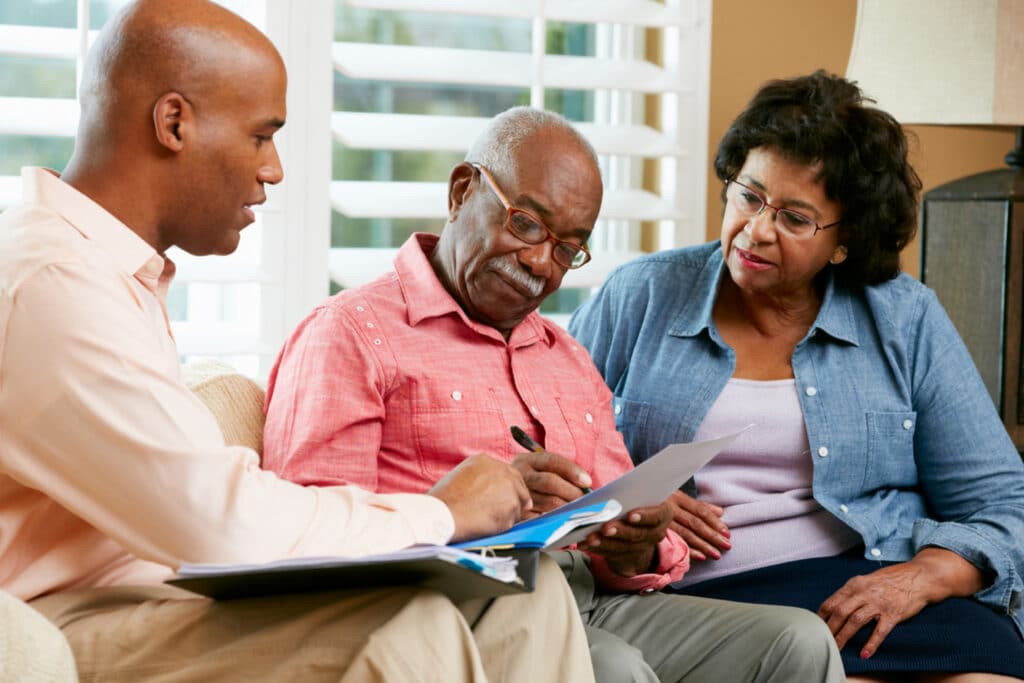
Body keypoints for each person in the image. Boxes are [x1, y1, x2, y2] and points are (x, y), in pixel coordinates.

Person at [0, 2, 597, 681]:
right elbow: (216, 520)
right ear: (174, 123)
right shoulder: (49, 280)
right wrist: (438, 511)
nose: (275, 169)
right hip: (63, 619)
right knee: (415, 626)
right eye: (261, 136)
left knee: (527, 591)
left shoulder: (113, 272)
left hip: (157, 593)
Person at [263, 105, 846, 683]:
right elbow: (307, 536)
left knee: (798, 641)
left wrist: (637, 543)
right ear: (462, 191)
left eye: (567, 248)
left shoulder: (565, 356)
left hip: (591, 597)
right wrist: (474, 510)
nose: (541, 263)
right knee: (613, 669)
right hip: (458, 610)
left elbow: (636, 531)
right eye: (525, 224)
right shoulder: (350, 333)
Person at [569, 70, 1024, 682]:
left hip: (863, 584)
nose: (757, 230)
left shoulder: (903, 317)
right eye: (749, 196)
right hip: (695, 597)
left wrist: (923, 576)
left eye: (795, 218)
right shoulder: (643, 293)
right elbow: (542, 445)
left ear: (845, 240)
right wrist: (628, 499)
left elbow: (1003, 505)